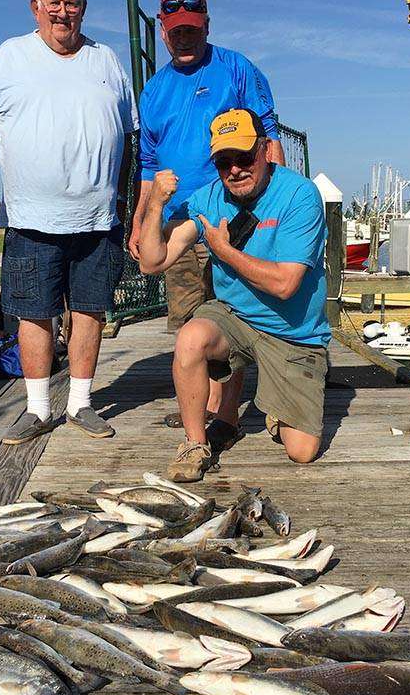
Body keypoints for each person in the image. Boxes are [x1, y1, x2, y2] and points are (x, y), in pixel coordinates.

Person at [0, 0, 138, 444]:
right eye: (53, 1)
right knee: (34, 312)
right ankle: (38, 409)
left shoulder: (106, 59)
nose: (63, 11)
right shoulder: (9, 56)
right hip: (32, 218)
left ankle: (81, 404)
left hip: (98, 218)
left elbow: (130, 135)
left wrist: (126, 201)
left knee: (90, 310)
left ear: (83, 8)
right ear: (35, 7)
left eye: (72, 1)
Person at [128, 0, 285, 452]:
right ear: (162, 31)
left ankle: (226, 413)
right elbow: (148, 166)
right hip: (180, 222)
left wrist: (275, 204)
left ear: (207, 26)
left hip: (235, 217)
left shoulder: (237, 68)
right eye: (175, 31)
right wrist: (141, 221)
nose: (184, 38)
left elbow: (268, 136)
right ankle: (202, 405)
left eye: (192, 30)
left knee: (235, 315)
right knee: (189, 319)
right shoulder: (153, 91)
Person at [139, 107, 329, 482]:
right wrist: (156, 204)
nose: (235, 169)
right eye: (224, 161)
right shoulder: (207, 199)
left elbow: (285, 285)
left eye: (243, 156)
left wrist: (224, 252)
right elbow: (152, 262)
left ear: (264, 150)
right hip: (236, 317)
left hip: (292, 331)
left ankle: (274, 407)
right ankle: (195, 444)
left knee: (302, 452)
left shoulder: (300, 195)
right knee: (191, 338)